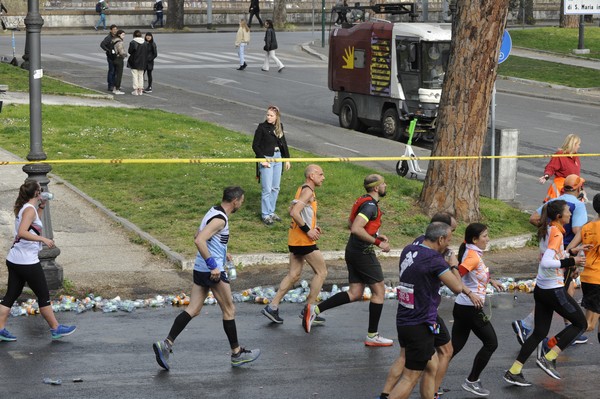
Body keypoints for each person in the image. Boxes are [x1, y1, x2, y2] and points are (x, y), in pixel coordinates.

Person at [152, 186, 260, 370]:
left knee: (193, 309)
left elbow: (199, 234)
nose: (241, 203)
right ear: (235, 201)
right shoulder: (220, 219)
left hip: (200, 268)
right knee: (229, 310)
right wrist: (214, 265)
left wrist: (222, 252)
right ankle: (236, 354)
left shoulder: (212, 212)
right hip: (212, 271)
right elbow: (199, 240)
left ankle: (167, 344)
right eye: (241, 200)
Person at [378, 213, 482, 399]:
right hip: (421, 321)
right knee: (410, 378)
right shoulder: (434, 260)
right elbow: (457, 287)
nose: (449, 244)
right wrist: (453, 265)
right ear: (440, 239)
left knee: (432, 364)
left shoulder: (409, 249)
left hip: (406, 317)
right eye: (449, 240)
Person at [302, 174, 394, 346]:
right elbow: (356, 228)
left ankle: (314, 310)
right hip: (362, 253)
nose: (385, 185)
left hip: (353, 250)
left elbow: (351, 223)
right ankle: (372, 336)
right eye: (383, 183)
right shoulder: (370, 206)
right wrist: (377, 242)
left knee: (355, 293)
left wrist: (374, 234)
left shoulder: (363, 200)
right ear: (376, 188)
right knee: (379, 292)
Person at [504, 200, 587, 387]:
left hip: (542, 289)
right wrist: (572, 260)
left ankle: (514, 371)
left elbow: (553, 254)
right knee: (580, 323)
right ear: (559, 216)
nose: (569, 215)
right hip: (553, 289)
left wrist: (571, 252)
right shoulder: (557, 232)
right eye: (567, 212)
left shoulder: (548, 229)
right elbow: (547, 262)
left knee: (539, 332)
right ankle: (549, 357)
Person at [512, 174, 588, 346]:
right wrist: (576, 251)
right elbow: (578, 230)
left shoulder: (554, 202)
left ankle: (531, 326)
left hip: (550, 252)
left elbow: (533, 218)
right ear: (578, 188)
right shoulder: (578, 205)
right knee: (559, 292)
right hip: (564, 254)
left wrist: (546, 231)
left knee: (564, 288)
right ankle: (564, 328)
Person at [0, 180, 77, 342]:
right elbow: (22, 232)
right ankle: (56, 328)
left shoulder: (27, 209)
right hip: (27, 262)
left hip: (15, 259)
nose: (42, 191)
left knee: (10, 296)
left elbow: (32, 227)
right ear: (36, 193)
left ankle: (0, 329)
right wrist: (43, 239)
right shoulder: (28, 210)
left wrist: (41, 207)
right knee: (43, 295)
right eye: (40, 190)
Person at [261, 165, 327, 326]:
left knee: (294, 275)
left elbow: (295, 209)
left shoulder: (303, 189)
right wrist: (308, 231)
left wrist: (313, 227)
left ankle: (272, 307)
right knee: (322, 272)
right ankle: (309, 311)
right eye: (320, 174)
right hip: (304, 240)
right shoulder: (308, 191)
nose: (323, 177)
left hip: (296, 239)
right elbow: (294, 212)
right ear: (311, 176)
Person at [451, 223, 504, 397]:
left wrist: (491, 281)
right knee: (491, 343)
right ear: (475, 239)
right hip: (470, 309)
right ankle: (472, 381)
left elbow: (474, 274)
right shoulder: (472, 257)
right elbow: (456, 274)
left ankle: (429, 376)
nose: (488, 239)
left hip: (461, 307)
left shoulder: (470, 251)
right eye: (485, 236)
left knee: (453, 348)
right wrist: (470, 293)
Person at [566, 193, 600, 345]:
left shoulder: (587, 227)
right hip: (597, 281)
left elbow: (569, 249)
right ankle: (551, 344)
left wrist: (574, 265)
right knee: (589, 325)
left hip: (588, 278)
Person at [252, 105, 291, 225]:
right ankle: (265, 214)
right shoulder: (261, 127)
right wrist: (262, 159)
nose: (268, 117)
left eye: (271, 115)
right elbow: (255, 145)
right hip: (267, 159)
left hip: (278, 158)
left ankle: (271, 211)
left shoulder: (279, 127)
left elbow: (283, 143)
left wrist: (287, 159)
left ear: (276, 117)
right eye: (267, 115)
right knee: (267, 189)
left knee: (275, 188)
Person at [539, 134, 581, 203]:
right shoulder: (560, 154)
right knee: (555, 210)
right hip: (561, 188)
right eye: (578, 144)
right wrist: (546, 176)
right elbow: (551, 167)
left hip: (574, 188)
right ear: (573, 144)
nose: (579, 147)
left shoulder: (575, 155)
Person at [127, 30, 148, 96]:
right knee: (141, 75)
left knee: (135, 75)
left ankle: (135, 90)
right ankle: (140, 90)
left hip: (134, 61)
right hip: (142, 61)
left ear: (134, 35)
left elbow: (130, 51)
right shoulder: (144, 42)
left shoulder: (133, 42)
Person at [100, 24, 118, 92]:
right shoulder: (108, 37)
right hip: (110, 56)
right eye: (114, 29)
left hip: (116, 56)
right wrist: (108, 50)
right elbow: (102, 44)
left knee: (116, 71)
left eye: (116, 29)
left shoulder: (117, 37)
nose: (115, 31)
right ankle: (110, 85)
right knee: (111, 71)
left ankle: (115, 85)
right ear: (111, 30)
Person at [111, 29, 127, 95]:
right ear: (119, 34)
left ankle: (114, 88)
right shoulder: (119, 42)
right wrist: (125, 54)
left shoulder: (113, 40)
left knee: (115, 74)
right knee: (119, 75)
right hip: (119, 59)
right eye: (123, 35)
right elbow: (121, 51)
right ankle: (117, 89)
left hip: (113, 58)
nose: (124, 36)